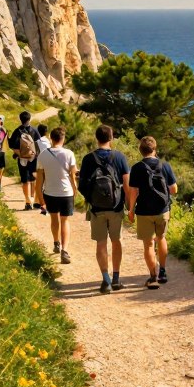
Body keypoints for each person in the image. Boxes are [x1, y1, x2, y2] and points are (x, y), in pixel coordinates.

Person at [79, 125, 133, 294]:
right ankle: (117, 278)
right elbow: (127, 185)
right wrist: (129, 206)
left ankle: (106, 280)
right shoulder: (119, 157)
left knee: (101, 244)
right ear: (111, 138)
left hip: (97, 208)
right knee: (117, 241)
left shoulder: (88, 159)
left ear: (97, 138)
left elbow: (82, 186)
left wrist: (91, 199)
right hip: (116, 207)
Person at [129, 136, 177, 289]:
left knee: (148, 244)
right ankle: (163, 271)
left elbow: (134, 192)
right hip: (162, 210)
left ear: (140, 150)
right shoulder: (165, 165)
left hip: (143, 211)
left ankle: (153, 276)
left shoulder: (136, 168)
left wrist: (130, 210)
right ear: (155, 149)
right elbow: (174, 189)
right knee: (161, 238)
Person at [35, 127, 78, 264]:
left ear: (51, 138)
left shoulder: (42, 155)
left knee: (54, 219)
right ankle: (64, 251)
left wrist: (40, 198)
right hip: (66, 193)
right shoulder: (69, 154)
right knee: (65, 221)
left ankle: (56, 243)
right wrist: (75, 190)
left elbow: (39, 180)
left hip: (49, 192)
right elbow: (73, 175)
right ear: (63, 139)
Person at [9, 111, 41, 211]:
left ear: (20, 119)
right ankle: (35, 199)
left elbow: (12, 146)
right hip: (33, 159)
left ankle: (27, 202)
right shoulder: (34, 130)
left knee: (25, 181)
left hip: (22, 160)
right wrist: (34, 154)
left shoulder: (17, 131)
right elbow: (39, 144)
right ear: (29, 119)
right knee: (33, 179)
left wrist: (20, 154)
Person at [35, 123, 50, 216]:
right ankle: (43, 204)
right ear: (46, 132)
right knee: (45, 185)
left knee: (39, 184)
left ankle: (39, 202)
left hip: (38, 165)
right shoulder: (48, 142)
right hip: (47, 165)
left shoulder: (36, 141)